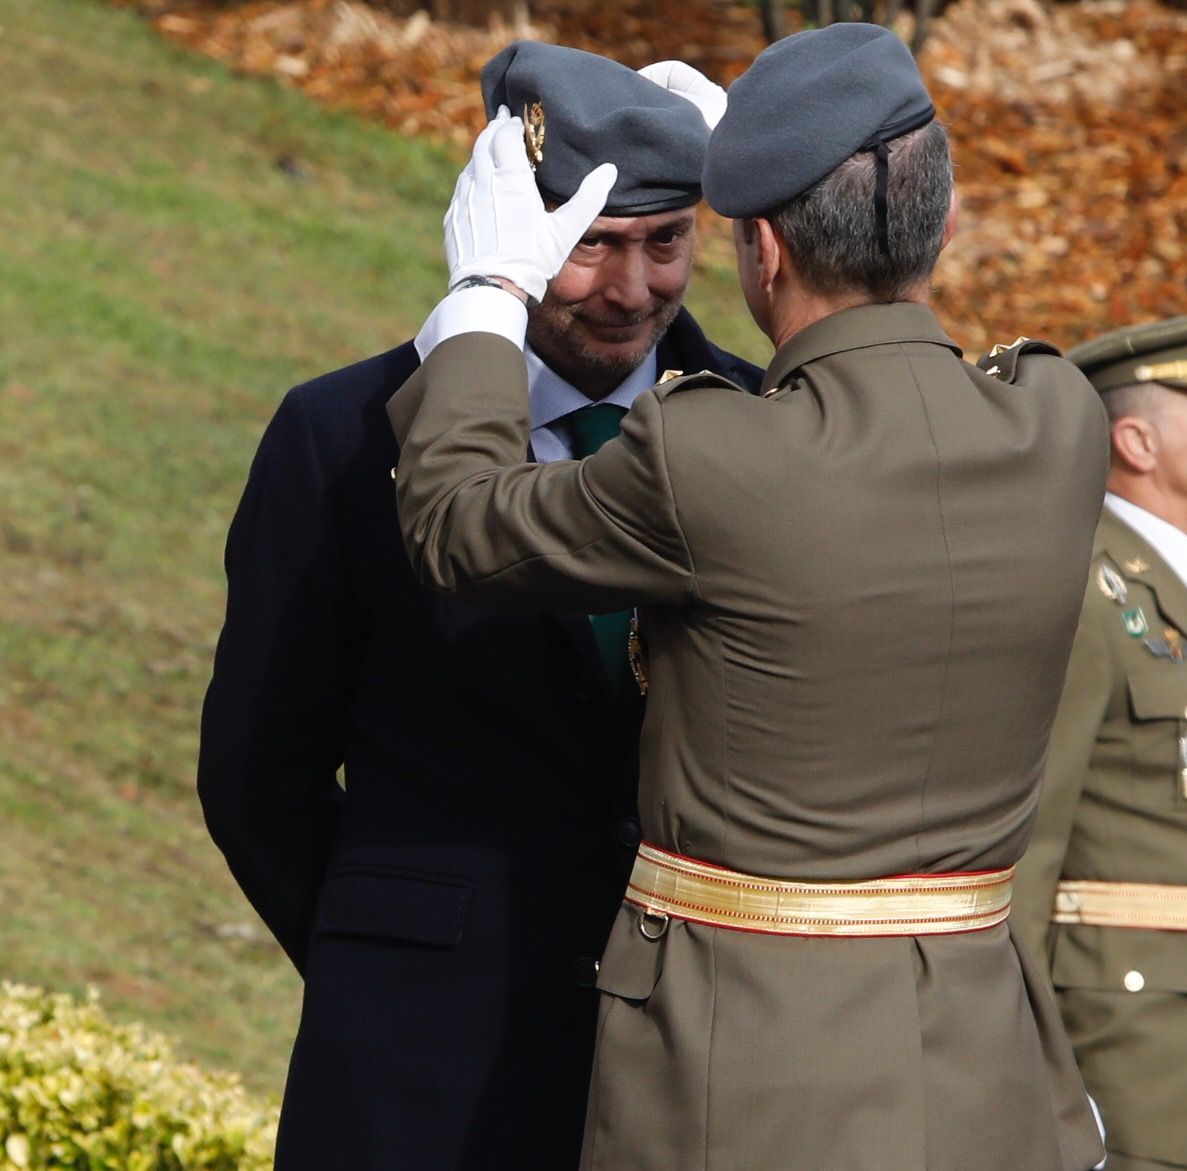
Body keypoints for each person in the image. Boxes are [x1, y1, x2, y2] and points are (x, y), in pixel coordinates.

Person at [387, 23, 1110, 1170]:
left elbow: (457, 526)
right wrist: (787, 152)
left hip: (750, 1064)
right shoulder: (1060, 423)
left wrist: (486, 292)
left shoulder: (713, 457)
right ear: (949, 223)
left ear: (761, 252)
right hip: (982, 1062)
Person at [196, 43, 760, 1169]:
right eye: (591, 246)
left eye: (666, 242)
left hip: (701, 1063)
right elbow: (259, 774)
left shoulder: (764, 423)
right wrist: (387, 957)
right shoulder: (345, 435)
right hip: (419, 1066)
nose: (634, 289)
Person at [1010, 300, 1187, 1171]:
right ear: (1135, 442)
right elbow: (1024, 854)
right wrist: (1039, 1089)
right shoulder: (1087, 588)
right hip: (1130, 1078)